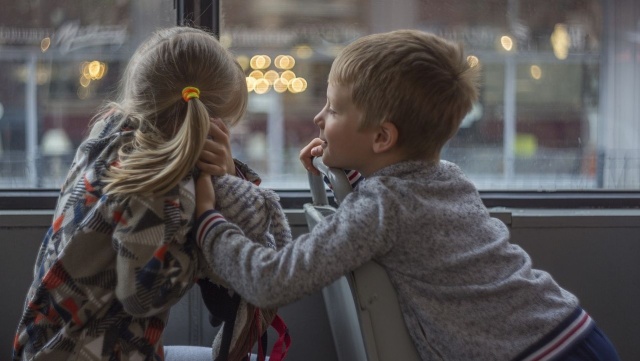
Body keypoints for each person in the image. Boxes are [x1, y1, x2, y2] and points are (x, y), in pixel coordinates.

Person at [193, 29, 621, 360]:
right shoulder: (442, 176)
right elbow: (392, 211)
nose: (320, 119)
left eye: (334, 109)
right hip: (571, 330)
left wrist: (210, 222)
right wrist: (335, 176)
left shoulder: (383, 207)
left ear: (382, 137)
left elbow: (270, 282)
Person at [12, 26, 249, 361]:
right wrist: (203, 236)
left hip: (44, 341)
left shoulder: (110, 129)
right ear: (208, 129)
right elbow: (141, 296)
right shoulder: (160, 182)